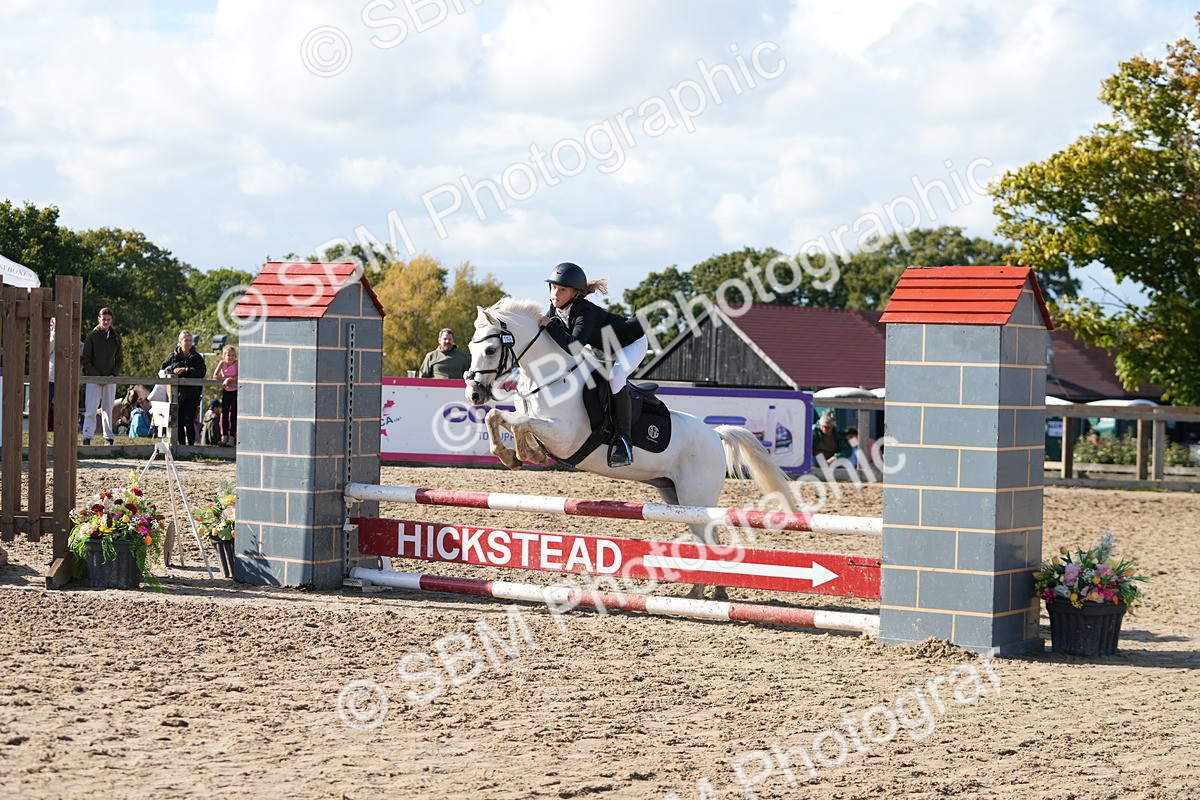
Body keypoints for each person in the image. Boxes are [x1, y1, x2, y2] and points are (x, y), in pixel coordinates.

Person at [537, 262, 648, 468]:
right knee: (587, 380)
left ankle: (624, 442)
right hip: (603, 347)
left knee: (616, 377)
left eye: (562, 290)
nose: (555, 294)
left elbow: (574, 347)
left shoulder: (584, 311)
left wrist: (550, 326)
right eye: (553, 287)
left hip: (630, 343)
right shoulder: (555, 308)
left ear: (575, 294)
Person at [80, 308, 123, 446]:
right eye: (103, 319)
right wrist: (98, 377)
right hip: (93, 378)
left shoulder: (115, 337)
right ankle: (87, 435)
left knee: (108, 408)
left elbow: (119, 360)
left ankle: (108, 436)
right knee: (91, 409)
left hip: (110, 379)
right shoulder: (92, 336)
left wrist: (112, 375)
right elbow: (86, 359)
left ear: (111, 320)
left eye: (108, 319)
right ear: (99, 319)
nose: (106, 322)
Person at [161, 330, 206, 446]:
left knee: (189, 421)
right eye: (186, 340)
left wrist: (185, 370)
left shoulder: (197, 358)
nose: (189, 342)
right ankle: (181, 446)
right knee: (178, 421)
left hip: (192, 394)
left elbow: (201, 372)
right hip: (176, 394)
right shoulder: (172, 357)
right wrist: (173, 369)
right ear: (180, 342)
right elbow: (162, 370)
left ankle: (191, 447)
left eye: (190, 340)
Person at [212, 344, 238, 446]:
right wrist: (225, 380)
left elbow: (240, 376)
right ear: (224, 356)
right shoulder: (222, 363)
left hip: (235, 391)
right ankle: (224, 436)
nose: (231, 357)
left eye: (233, 355)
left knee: (233, 414)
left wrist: (229, 379)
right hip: (226, 391)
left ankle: (232, 437)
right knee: (225, 414)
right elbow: (215, 376)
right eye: (228, 355)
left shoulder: (236, 363)